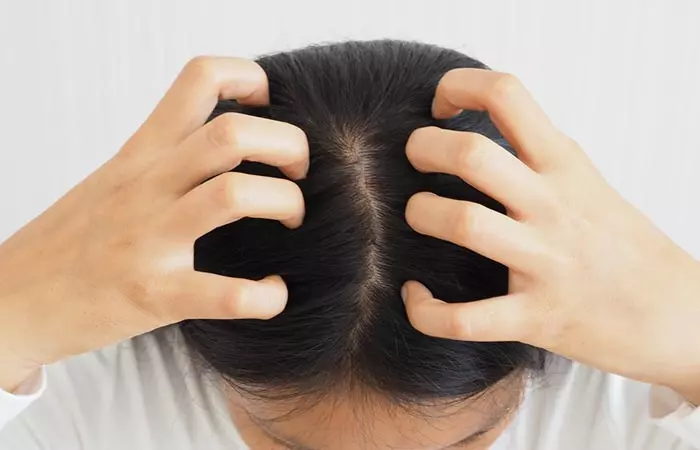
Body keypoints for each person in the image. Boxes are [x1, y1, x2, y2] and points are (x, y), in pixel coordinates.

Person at [0, 40, 698, 449]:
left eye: (463, 447)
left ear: (550, 356)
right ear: (186, 346)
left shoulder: (640, 386)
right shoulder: (75, 388)